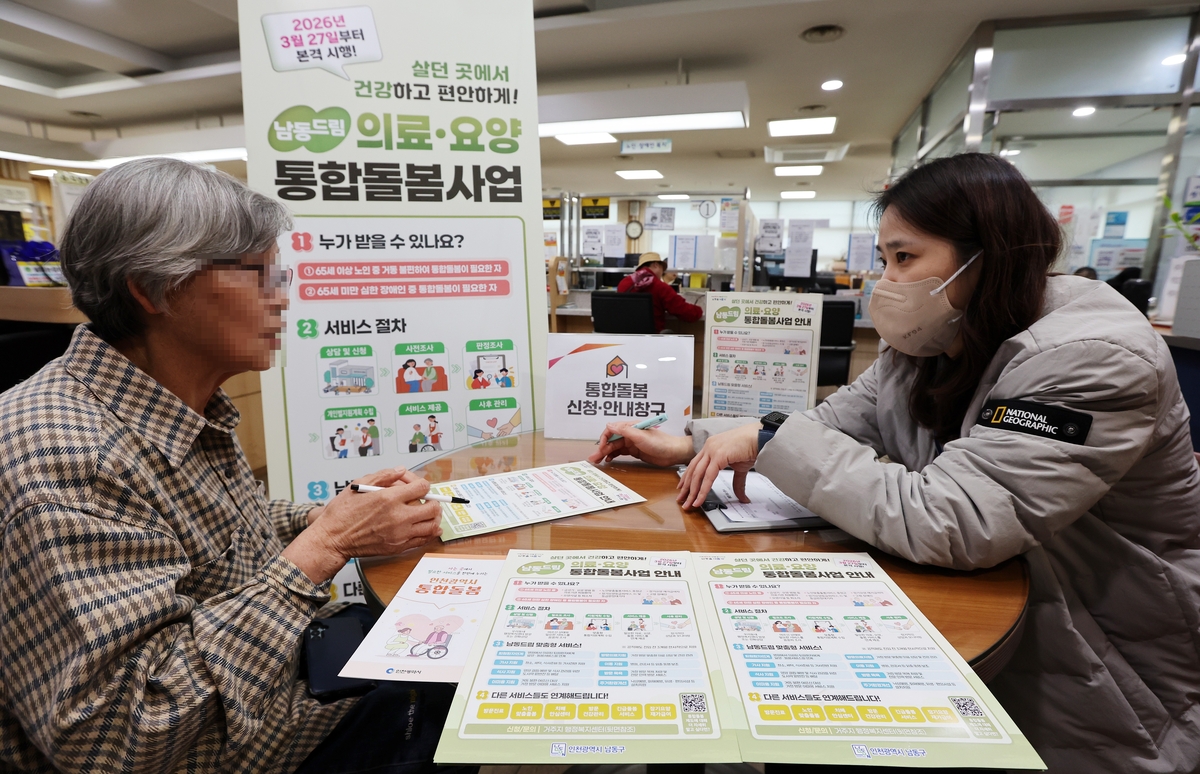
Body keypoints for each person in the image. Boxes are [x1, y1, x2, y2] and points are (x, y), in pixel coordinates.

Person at [590, 153, 1200, 774]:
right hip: (969, 624)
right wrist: (694, 444)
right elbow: (825, 426)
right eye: (884, 260)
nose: (887, 280)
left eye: (904, 258)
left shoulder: (1093, 359)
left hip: (1093, 665)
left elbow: (954, 518)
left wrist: (770, 439)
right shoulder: (933, 343)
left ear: (987, 256)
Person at [0, 159, 464, 774]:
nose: (283, 295)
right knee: (463, 699)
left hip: (283, 689)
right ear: (152, 287)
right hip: (244, 749)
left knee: (463, 652)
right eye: (258, 274)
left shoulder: (172, 402)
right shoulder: (60, 456)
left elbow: (215, 539)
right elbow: (121, 735)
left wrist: (334, 516)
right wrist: (325, 545)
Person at [616, 251, 703, 333]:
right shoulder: (659, 286)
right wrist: (699, 310)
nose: (662, 272)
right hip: (653, 340)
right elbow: (685, 312)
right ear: (656, 265)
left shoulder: (623, 283)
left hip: (625, 339)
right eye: (662, 268)